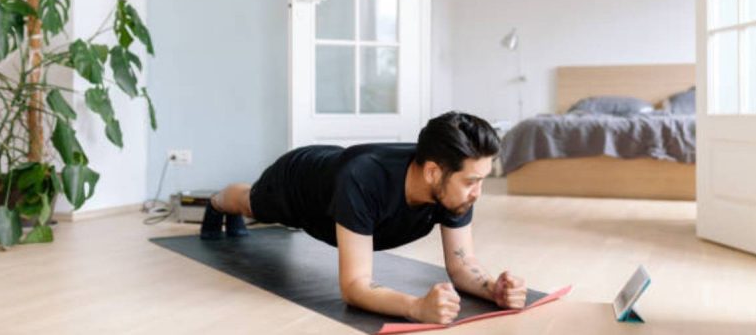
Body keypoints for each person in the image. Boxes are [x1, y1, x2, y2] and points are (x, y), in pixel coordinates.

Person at [201, 111, 528, 324]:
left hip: (336, 171)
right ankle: (215, 202)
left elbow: (461, 263)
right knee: (249, 203)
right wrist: (417, 308)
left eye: (483, 180)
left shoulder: (453, 185)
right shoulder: (364, 178)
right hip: (297, 182)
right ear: (432, 172)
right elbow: (354, 287)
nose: (478, 193)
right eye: (472, 182)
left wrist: (492, 289)